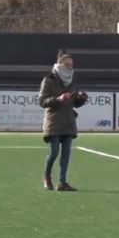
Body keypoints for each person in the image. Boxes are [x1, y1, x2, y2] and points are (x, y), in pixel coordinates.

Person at [39, 50, 88, 191]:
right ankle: (47, 177)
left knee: (66, 155)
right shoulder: (48, 79)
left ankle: (62, 182)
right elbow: (42, 101)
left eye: (71, 65)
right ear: (59, 64)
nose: (70, 67)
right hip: (53, 122)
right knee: (54, 152)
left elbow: (74, 103)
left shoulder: (72, 80)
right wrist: (58, 99)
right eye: (67, 64)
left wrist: (81, 99)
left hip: (68, 121)